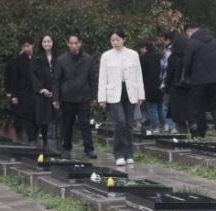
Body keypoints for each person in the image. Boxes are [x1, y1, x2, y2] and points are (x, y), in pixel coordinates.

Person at [96, 29, 145, 166]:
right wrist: (102, 98)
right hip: (114, 93)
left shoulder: (133, 54)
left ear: (123, 40)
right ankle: (118, 153)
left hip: (130, 91)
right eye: (113, 40)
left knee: (129, 124)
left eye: (118, 39)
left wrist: (140, 94)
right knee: (120, 122)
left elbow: (139, 75)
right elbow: (102, 77)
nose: (115, 42)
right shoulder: (106, 56)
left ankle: (129, 153)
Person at [52, 35, 98, 159]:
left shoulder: (88, 59)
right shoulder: (61, 60)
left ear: (80, 43)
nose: (74, 46)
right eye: (71, 43)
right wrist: (55, 98)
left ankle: (89, 148)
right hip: (67, 97)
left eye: (76, 43)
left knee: (85, 124)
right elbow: (56, 80)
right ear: (67, 44)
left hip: (84, 96)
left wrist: (94, 97)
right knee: (67, 124)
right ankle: (66, 148)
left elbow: (92, 79)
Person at [182, 22, 216, 142]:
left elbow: (187, 62)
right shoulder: (214, 41)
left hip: (198, 80)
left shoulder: (192, 43)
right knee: (215, 106)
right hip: (215, 79)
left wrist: (186, 77)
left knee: (199, 107)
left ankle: (201, 134)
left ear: (190, 31)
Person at [5, 36, 36, 143]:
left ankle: (32, 138)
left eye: (28, 46)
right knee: (21, 117)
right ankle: (25, 138)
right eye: (24, 46)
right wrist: (13, 95)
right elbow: (13, 78)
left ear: (32, 45)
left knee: (32, 117)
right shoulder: (17, 61)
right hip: (21, 93)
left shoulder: (37, 59)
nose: (26, 48)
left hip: (34, 93)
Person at [31, 34, 59, 153]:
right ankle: (43, 143)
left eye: (49, 41)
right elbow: (33, 75)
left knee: (56, 119)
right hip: (42, 93)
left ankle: (56, 144)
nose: (47, 44)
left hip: (56, 92)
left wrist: (56, 90)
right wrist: (41, 89)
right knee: (43, 118)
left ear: (53, 43)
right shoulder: (37, 58)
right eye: (44, 42)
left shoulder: (58, 57)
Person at [165, 32, 193, 134]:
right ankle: (195, 135)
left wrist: (166, 87)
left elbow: (169, 74)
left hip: (177, 90)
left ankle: (183, 136)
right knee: (191, 116)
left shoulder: (173, 57)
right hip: (190, 89)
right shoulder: (192, 56)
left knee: (180, 118)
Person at [139, 41, 164, 131]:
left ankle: (155, 127)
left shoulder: (143, 58)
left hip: (149, 86)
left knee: (152, 106)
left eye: (141, 48)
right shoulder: (160, 56)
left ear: (145, 48)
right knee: (160, 106)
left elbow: (141, 73)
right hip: (161, 85)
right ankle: (164, 126)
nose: (141, 50)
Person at [158, 33, 176, 131]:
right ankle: (174, 126)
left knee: (165, 105)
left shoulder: (168, 52)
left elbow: (164, 68)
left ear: (168, 40)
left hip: (168, 82)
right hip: (177, 82)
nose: (163, 42)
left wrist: (162, 82)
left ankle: (170, 126)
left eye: (164, 40)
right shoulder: (180, 49)